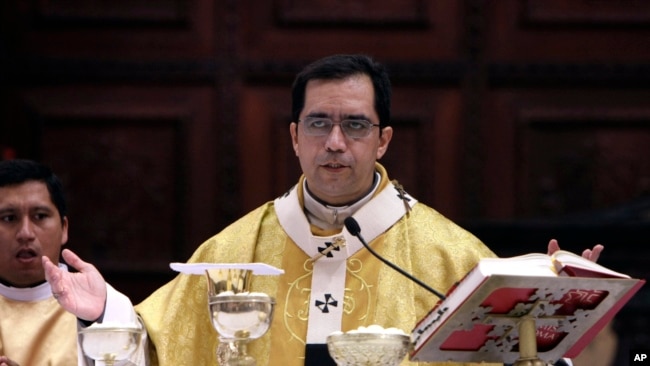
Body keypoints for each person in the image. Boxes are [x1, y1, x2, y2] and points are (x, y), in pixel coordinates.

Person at [42, 54, 604, 366]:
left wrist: (552, 307)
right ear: (293, 136)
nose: (335, 142)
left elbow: (511, 356)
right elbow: (158, 344)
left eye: (355, 125)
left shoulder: (448, 255)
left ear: (383, 140)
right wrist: (103, 313)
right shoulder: (233, 253)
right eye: (318, 123)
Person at [0, 159, 79, 365]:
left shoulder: (102, 309)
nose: (25, 233)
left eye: (40, 216)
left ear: (63, 228)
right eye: (9, 218)